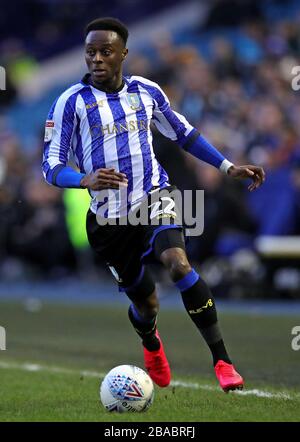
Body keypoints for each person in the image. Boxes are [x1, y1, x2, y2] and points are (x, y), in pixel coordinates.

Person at [42, 17, 265, 392]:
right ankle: (151, 343)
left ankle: (223, 360)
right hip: (109, 221)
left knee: (178, 265)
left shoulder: (146, 91)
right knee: (146, 305)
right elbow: (50, 165)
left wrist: (227, 167)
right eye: (90, 52)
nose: (96, 59)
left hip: (154, 198)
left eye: (105, 52)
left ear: (123, 54)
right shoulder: (70, 103)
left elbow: (184, 133)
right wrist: (83, 179)